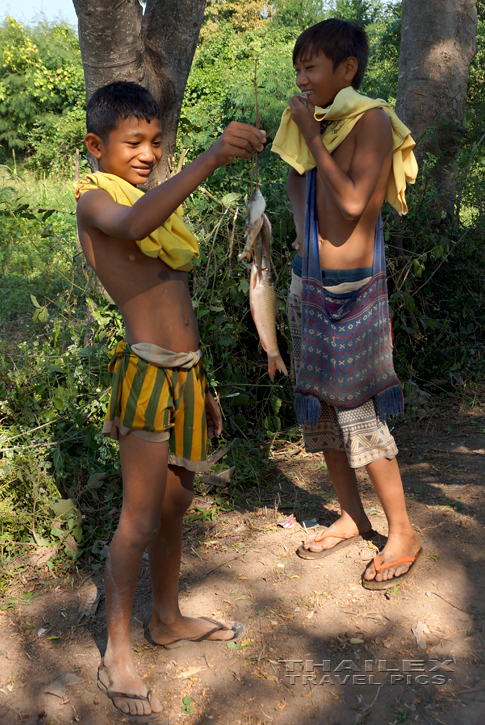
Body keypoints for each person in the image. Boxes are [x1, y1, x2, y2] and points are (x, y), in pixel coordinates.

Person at [75, 81, 266, 719]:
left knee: (178, 501)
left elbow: (176, 304)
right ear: (96, 146)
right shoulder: (98, 201)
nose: (149, 153)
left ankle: (166, 617)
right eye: (134, 142)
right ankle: (118, 650)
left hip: (186, 375)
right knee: (140, 515)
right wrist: (208, 158)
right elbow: (133, 223)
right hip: (146, 374)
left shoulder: (160, 207)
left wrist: (204, 384)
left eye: (158, 142)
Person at [271, 19, 421, 589]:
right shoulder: (319, 123)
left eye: (311, 68)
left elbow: (358, 201)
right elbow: (303, 193)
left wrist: (311, 134)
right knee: (324, 413)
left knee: (360, 415)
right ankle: (352, 516)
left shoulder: (371, 120)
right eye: (299, 71)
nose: (303, 80)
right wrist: (302, 143)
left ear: (346, 69)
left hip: (351, 292)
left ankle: (401, 530)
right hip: (307, 284)